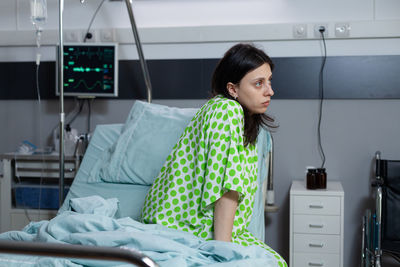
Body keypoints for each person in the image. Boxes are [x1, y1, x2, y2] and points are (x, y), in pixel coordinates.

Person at [141, 43, 286, 266]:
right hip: (184, 229)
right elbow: (226, 192)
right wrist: (224, 255)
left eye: (269, 81)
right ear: (233, 89)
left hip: (190, 228)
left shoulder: (235, 116)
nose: (270, 91)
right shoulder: (227, 112)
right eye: (259, 83)